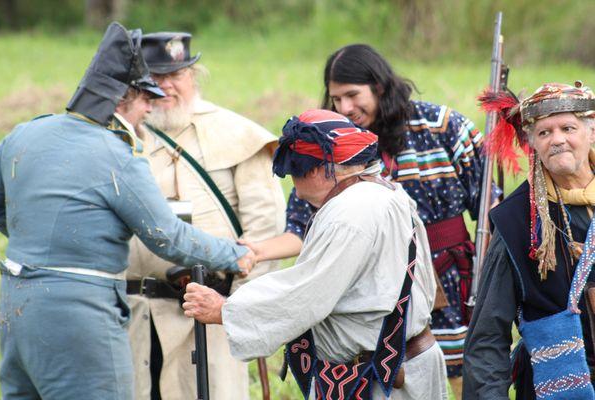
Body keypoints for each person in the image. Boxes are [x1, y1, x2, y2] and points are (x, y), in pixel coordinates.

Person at [0, 22, 253, 400]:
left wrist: (39, 238)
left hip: (16, 302)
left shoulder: (23, 133)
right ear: (121, 99)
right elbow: (168, 236)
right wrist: (236, 254)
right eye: (144, 98)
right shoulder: (118, 155)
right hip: (82, 313)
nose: (150, 107)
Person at [243, 43, 497, 397]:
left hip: (449, 281)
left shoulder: (444, 127)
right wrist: (257, 250)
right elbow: (301, 228)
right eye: (336, 99)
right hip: (372, 297)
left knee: (460, 379)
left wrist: (493, 287)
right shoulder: (328, 146)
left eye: (352, 95)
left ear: (379, 86)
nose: (345, 108)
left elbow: (490, 210)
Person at [183, 109, 448, 400]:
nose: (295, 181)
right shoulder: (386, 192)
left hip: (382, 379)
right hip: (396, 365)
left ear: (321, 170)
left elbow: (307, 294)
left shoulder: (349, 213)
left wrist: (226, 309)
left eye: (298, 169)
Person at [125, 32, 286, 400]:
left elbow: (264, 232)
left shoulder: (237, 134)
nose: (165, 86)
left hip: (209, 315)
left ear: (193, 76)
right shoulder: (120, 135)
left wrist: (235, 311)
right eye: (155, 77)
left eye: (175, 76)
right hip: (132, 315)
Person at [463, 82, 595, 398]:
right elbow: (487, 337)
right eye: (545, 132)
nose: (557, 140)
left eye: (568, 127)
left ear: (591, 132)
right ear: (532, 143)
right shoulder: (517, 221)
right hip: (553, 387)